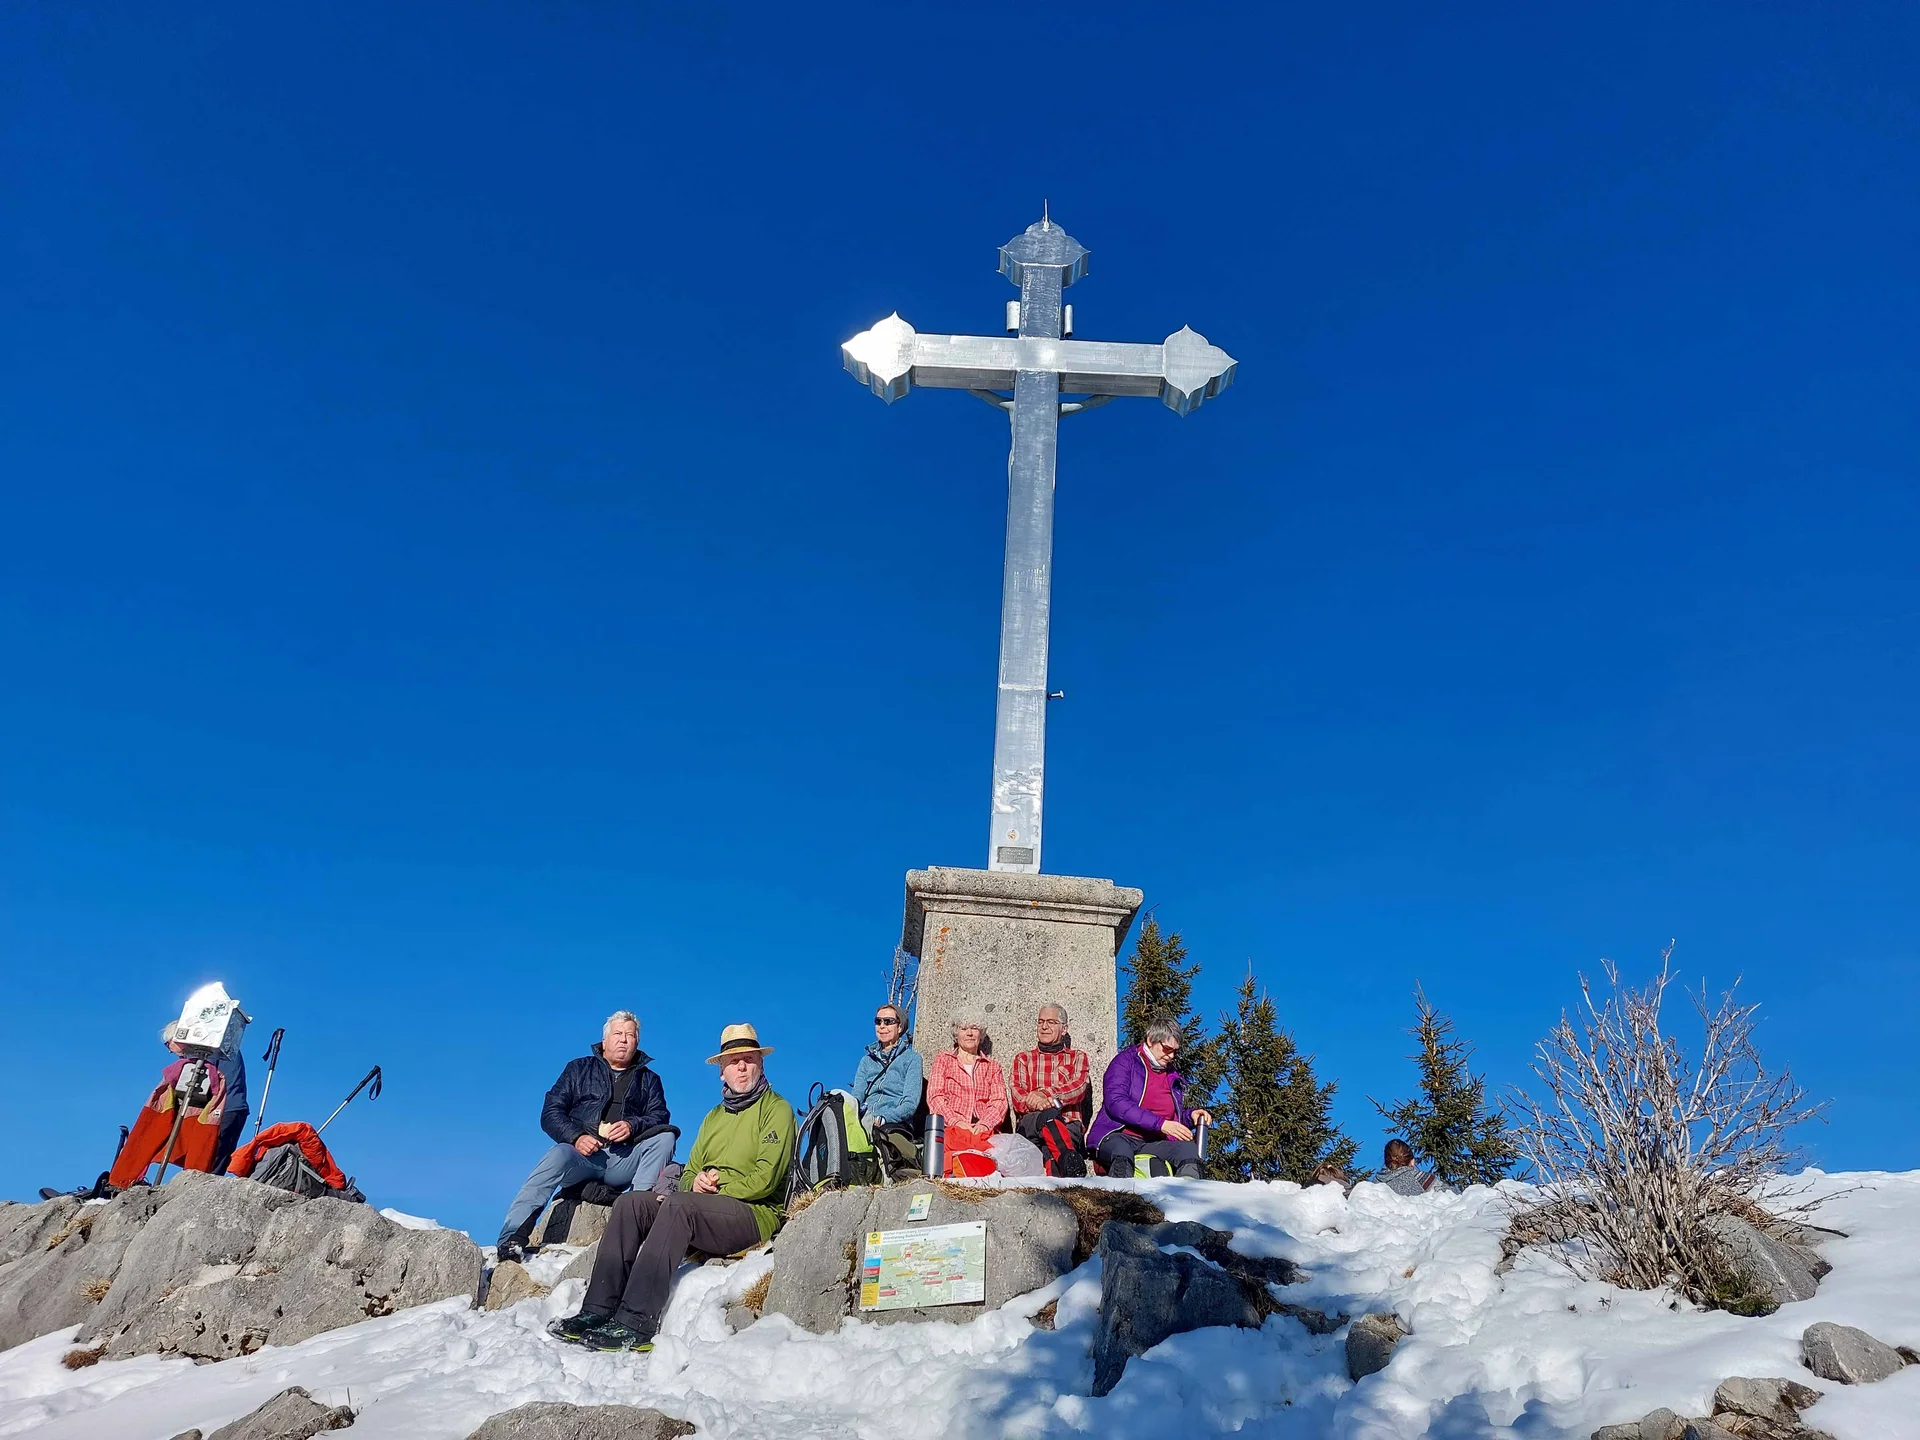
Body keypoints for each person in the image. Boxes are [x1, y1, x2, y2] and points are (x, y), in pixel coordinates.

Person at [550, 1022, 795, 1353]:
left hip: (753, 1214)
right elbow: (692, 1168)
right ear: (721, 1071)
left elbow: (766, 1178)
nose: (741, 1066)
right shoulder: (713, 1118)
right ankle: (596, 1310)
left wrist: (717, 1187)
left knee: (681, 1205)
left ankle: (636, 1322)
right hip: (705, 1208)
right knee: (632, 1203)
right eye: (733, 1061)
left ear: (761, 1064)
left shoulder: (776, 1110)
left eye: (749, 1059)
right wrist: (697, 1181)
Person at [496, 1011, 675, 1263]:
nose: (623, 1040)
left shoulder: (649, 1079)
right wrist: (577, 1136)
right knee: (558, 1153)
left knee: (666, 1137)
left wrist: (632, 1125)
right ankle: (512, 1238)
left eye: (630, 1035)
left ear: (637, 1042)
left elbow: (659, 1116)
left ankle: (637, 1220)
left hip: (624, 1159)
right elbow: (550, 1112)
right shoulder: (578, 1069)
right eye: (618, 1034)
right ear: (604, 1041)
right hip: (581, 1156)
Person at [1086, 1014, 1214, 1179]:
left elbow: (1170, 1118)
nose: (1171, 1056)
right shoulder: (1125, 1061)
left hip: (1152, 1143)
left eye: (1175, 1051)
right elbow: (1116, 1103)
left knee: (1188, 1151)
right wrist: (1161, 1124)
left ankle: (1186, 1200)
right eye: (1167, 1049)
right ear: (1150, 1040)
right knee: (1122, 1154)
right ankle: (1121, 1201)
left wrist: (1191, 1116)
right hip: (1118, 1135)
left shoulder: (1171, 1074)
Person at [925, 1013, 1006, 1173]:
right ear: (957, 1034)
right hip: (952, 1128)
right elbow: (935, 1096)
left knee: (992, 1150)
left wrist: (984, 1123)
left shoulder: (992, 1066)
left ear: (980, 1034)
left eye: (974, 1028)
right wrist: (956, 1121)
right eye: (964, 1029)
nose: (969, 1033)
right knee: (951, 1149)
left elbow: (999, 1101)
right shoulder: (943, 1060)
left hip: (983, 1130)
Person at [1010, 1002, 1090, 1161]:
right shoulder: (1023, 1058)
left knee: (1050, 1153)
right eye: (1040, 1022)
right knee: (1047, 1118)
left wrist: (1044, 1094)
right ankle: (1065, 1158)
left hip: (1067, 1123)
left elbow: (1078, 1087)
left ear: (1064, 1029)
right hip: (1031, 1123)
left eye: (1051, 1022)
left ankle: (1059, 1163)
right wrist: (1040, 1105)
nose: (1044, 1026)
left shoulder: (1077, 1057)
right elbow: (1018, 1094)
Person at [850, 1002, 923, 1133]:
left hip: (895, 1124)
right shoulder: (866, 1061)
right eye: (878, 1021)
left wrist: (884, 1118)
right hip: (864, 1119)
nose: (882, 1026)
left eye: (888, 1021)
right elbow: (857, 1095)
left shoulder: (912, 1059)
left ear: (899, 1027)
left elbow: (910, 1103)